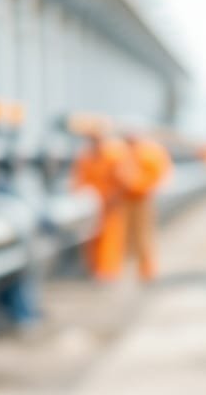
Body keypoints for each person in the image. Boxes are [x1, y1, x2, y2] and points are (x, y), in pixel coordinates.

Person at [71, 120, 131, 280]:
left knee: (110, 237)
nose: (94, 142)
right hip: (91, 203)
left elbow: (123, 180)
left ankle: (108, 270)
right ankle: (95, 269)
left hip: (110, 203)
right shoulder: (86, 156)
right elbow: (79, 179)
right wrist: (80, 197)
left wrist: (115, 196)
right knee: (91, 237)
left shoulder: (114, 155)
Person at [116, 130, 173, 281]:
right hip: (127, 198)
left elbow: (155, 176)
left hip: (142, 199)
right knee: (126, 235)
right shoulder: (127, 153)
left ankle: (147, 270)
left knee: (143, 235)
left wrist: (134, 182)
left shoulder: (148, 153)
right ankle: (130, 268)